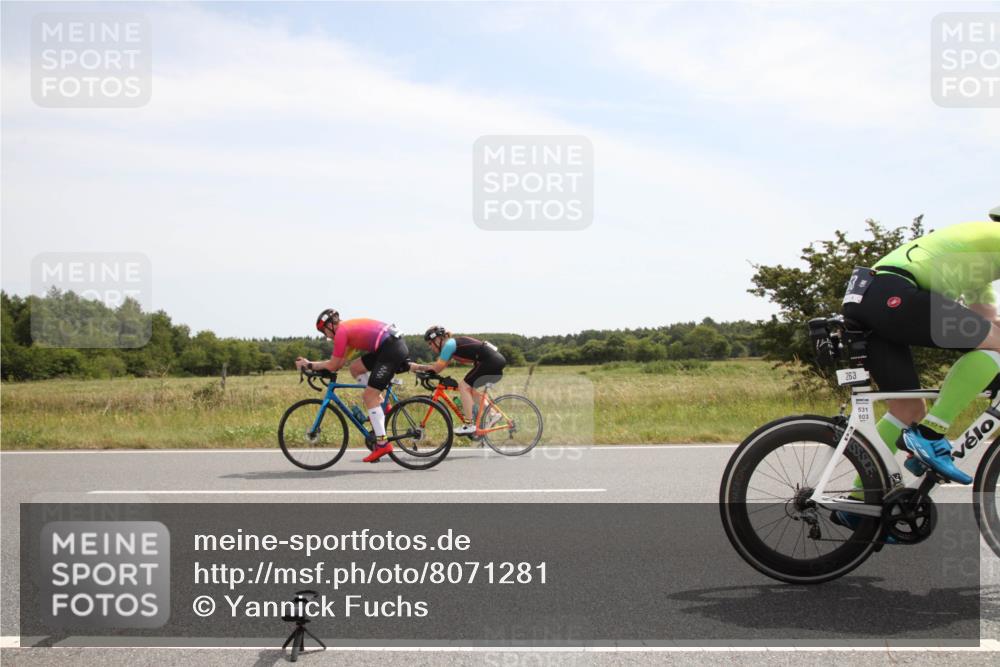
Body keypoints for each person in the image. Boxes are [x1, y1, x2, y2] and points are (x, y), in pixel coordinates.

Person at [841, 217, 1000, 484]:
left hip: (869, 297)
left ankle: (861, 503)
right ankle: (931, 434)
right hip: (894, 292)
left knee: (908, 409)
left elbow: (987, 320)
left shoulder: (977, 258)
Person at [295, 309, 408, 462]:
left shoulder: (341, 332)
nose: (326, 336)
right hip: (389, 345)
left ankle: (382, 444)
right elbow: (339, 364)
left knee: (369, 395)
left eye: (324, 332)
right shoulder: (347, 331)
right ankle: (382, 405)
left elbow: (333, 364)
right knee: (355, 368)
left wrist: (309, 365)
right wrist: (320, 367)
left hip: (390, 348)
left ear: (330, 326)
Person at [410, 326, 506, 435]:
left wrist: (416, 366)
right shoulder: (451, 346)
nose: (430, 347)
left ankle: (469, 425)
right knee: (470, 390)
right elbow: (438, 368)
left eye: (430, 343)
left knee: (463, 386)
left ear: (437, 339)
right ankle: (493, 414)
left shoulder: (449, 345)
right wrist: (421, 369)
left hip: (491, 361)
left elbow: (436, 368)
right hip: (495, 361)